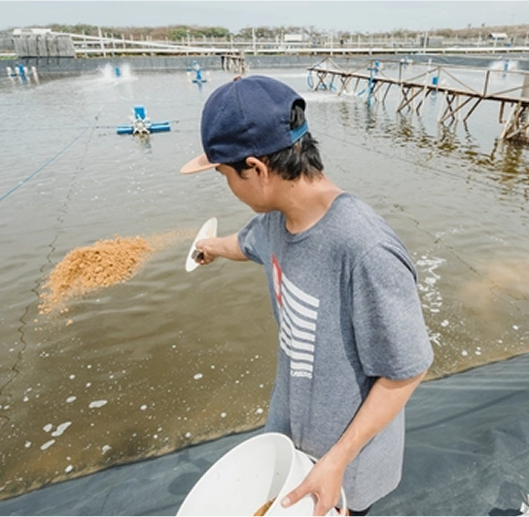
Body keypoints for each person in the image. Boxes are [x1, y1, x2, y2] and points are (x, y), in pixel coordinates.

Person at [180, 75, 433, 517]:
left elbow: (406, 372)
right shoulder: (278, 217)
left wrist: (336, 461)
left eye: (224, 175)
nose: (227, 187)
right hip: (293, 430)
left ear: (256, 170)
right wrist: (210, 249)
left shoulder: (364, 248)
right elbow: (249, 243)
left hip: (346, 463)